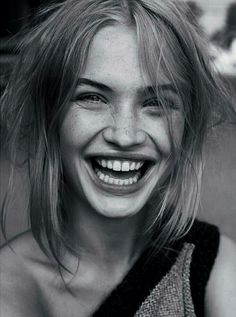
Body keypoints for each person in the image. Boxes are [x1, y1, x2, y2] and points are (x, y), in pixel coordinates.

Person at [0, 0, 236, 316]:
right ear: (50, 116)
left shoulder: (216, 266)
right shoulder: (8, 286)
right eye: (92, 97)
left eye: (156, 103)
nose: (125, 136)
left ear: (186, 126)